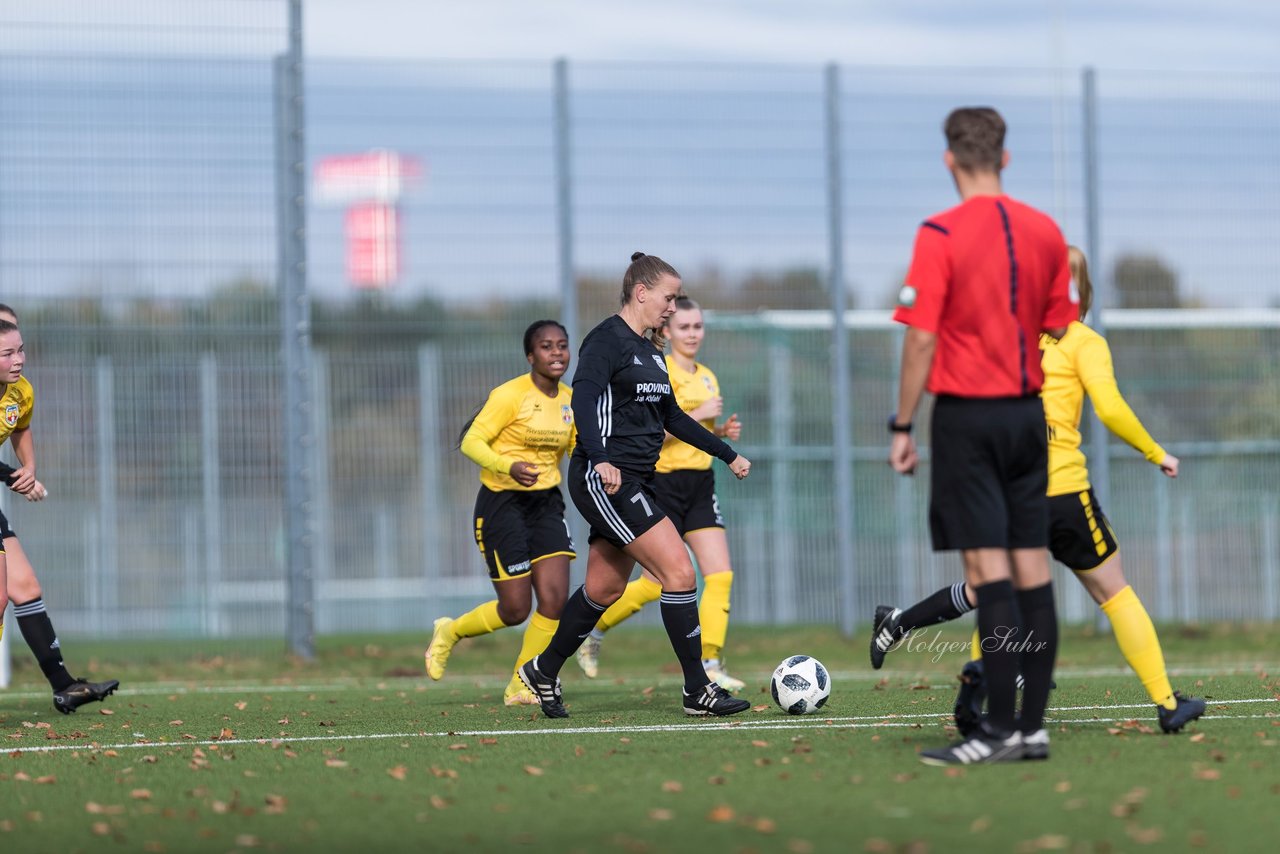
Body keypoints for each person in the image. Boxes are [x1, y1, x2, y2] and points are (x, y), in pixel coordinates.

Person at [870, 247, 1207, 739]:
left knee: (998, 594)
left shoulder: (1012, 342)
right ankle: (1166, 702)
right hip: (1064, 490)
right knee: (1114, 593)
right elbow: (1110, 409)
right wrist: (1156, 452)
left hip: (1010, 490)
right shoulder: (1084, 342)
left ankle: (974, 683)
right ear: (1081, 290)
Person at [886, 107, 1076, 765]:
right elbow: (1056, 323)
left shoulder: (939, 231)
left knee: (987, 572)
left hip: (968, 417)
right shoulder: (1048, 231)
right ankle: (1031, 728)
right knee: (1032, 571)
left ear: (948, 160)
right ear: (1006, 156)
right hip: (1028, 415)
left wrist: (903, 423)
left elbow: (921, 337)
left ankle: (994, 732)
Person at [518, 252, 753, 719]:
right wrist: (601, 458)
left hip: (636, 479)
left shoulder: (651, 350)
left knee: (604, 591)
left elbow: (670, 417)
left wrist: (726, 454)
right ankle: (697, 690)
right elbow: (583, 399)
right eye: (668, 298)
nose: (673, 307)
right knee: (681, 574)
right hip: (605, 478)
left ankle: (543, 670)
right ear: (641, 292)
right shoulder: (606, 340)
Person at [573, 296, 747, 691]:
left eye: (698, 326)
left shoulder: (707, 377)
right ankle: (594, 628)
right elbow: (656, 432)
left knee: (719, 574)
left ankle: (711, 661)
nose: (692, 334)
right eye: (684, 326)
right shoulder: (656, 368)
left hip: (700, 484)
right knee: (658, 582)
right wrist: (701, 415)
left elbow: (690, 432)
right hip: (662, 483)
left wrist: (720, 437)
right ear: (666, 331)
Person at [425, 320, 577, 706]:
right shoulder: (510, 395)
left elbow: (580, 450)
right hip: (501, 504)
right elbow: (471, 441)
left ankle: (521, 684)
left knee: (556, 598)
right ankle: (450, 631)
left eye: (562, 345)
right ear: (530, 356)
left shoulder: (571, 401)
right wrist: (506, 466)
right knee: (514, 609)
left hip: (547, 504)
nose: (556, 353)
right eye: (547, 346)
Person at [0, 304, 119, 714]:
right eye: (7, 351)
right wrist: (15, 477)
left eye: (20, 347)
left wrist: (29, 468)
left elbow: (20, 426)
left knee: (25, 588)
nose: (17, 359)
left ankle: (64, 685)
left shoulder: (19, 392)